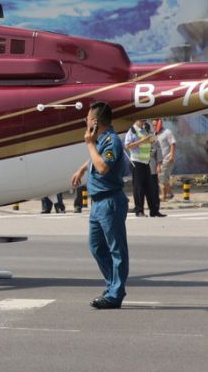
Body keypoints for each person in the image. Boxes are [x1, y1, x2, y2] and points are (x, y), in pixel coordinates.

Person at [71, 102, 128, 309]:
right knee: (96, 247)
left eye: (87, 118)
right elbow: (95, 160)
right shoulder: (101, 139)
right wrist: (82, 168)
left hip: (110, 201)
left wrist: (88, 144)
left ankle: (115, 294)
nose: (85, 121)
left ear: (94, 122)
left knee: (116, 249)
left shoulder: (111, 141)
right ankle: (112, 284)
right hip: (98, 203)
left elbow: (103, 166)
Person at [125, 119, 164, 217]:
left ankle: (154, 211)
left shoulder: (146, 129)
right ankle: (139, 211)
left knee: (150, 188)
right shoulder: (132, 131)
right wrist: (142, 141)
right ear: (137, 120)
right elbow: (128, 146)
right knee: (139, 188)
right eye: (142, 120)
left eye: (145, 121)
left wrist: (152, 139)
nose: (144, 122)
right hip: (136, 162)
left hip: (146, 162)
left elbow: (150, 142)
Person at [152, 118, 177, 202]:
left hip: (167, 158)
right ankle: (170, 194)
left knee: (162, 177)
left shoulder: (167, 132)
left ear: (160, 124)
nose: (154, 126)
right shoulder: (155, 134)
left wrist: (172, 156)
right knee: (161, 178)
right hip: (159, 160)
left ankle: (164, 196)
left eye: (156, 124)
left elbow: (173, 144)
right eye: (153, 125)